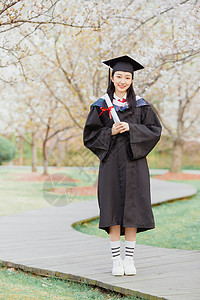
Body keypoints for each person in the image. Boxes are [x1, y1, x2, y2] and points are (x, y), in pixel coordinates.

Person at [83, 54, 162, 276]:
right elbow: (89, 136)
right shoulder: (101, 106)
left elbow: (155, 131)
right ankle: (116, 260)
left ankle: (130, 259)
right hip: (110, 165)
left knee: (133, 210)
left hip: (135, 165)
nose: (123, 81)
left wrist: (131, 128)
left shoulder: (141, 105)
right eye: (119, 76)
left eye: (127, 77)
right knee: (113, 209)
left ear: (132, 79)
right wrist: (110, 131)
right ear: (112, 76)